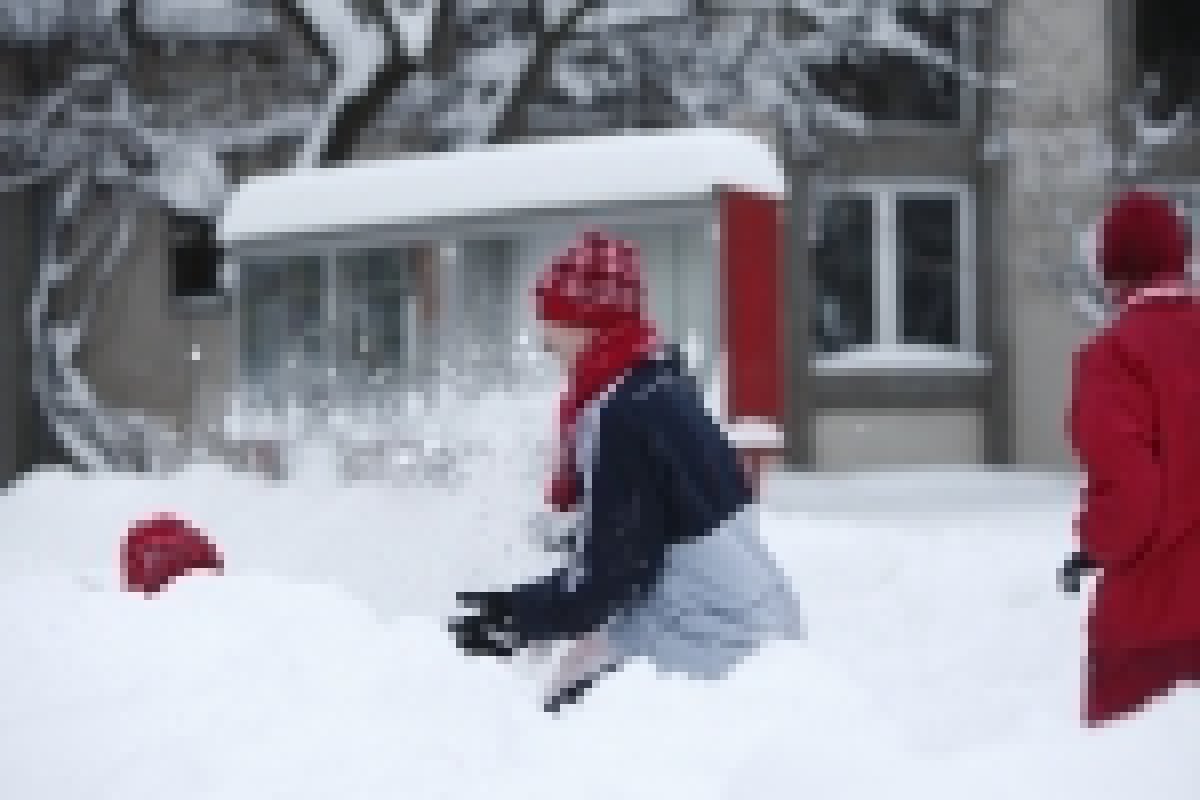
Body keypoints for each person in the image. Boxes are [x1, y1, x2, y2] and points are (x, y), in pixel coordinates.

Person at [449, 229, 805, 713]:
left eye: (550, 317)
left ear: (584, 322)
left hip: (719, 642)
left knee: (564, 708)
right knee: (578, 662)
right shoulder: (659, 385)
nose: (543, 335)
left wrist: (516, 617)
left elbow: (609, 583)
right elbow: (644, 535)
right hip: (760, 622)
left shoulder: (621, 413)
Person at [1067, 188, 1200, 726]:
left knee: (1131, 773)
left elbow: (1132, 495)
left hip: (1152, 628)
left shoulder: (1114, 358)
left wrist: (1094, 541)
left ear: (1111, 270)